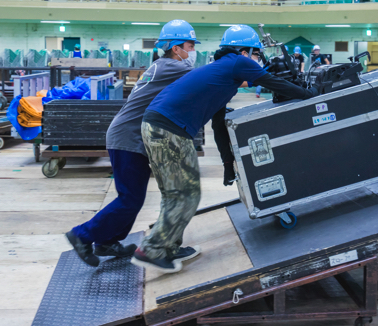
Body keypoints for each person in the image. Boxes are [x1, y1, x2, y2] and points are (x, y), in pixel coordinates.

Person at [131, 25, 317, 273]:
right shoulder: (238, 62)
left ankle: (168, 247)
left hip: (157, 126)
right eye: (255, 53)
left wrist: (228, 166)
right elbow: (274, 83)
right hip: (169, 131)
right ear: (245, 50)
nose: (256, 59)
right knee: (186, 194)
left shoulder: (222, 77)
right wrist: (310, 95)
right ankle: (151, 250)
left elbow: (219, 127)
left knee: (174, 193)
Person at [65, 20, 199, 267]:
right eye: (190, 45)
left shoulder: (164, 66)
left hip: (130, 136)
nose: (193, 51)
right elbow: (207, 76)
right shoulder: (171, 66)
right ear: (176, 47)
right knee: (130, 199)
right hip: (128, 137)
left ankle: (106, 242)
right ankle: (82, 234)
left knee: (131, 197)